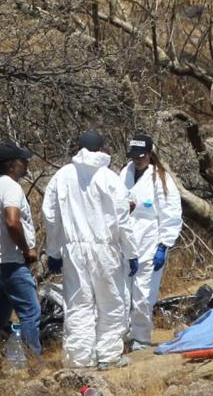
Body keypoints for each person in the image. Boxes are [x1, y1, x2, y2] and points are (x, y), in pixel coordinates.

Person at [42, 131, 140, 370]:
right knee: (111, 302)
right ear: (102, 149)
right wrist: (131, 252)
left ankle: (80, 360)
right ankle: (109, 355)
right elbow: (122, 219)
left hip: (73, 250)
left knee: (78, 303)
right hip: (106, 249)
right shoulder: (109, 177)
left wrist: (54, 251)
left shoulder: (62, 176)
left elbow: (50, 216)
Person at [119, 135, 182, 352]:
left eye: (141, 156)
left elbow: (171, 213)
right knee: (122, 294)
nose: (137, 160)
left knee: (143, 295)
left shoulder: (160, 179)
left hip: (149, 243)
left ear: (149, 154)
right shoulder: (124, 174)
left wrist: (163, 245)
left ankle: (142, 338)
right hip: (125, 244)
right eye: (134, 157)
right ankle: (123, 336)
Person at [0, 141, 41, 366]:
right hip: (12, 263)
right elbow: (12, 222)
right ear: (12, 165)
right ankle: (34, 364)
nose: (26, 164)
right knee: (30, 311)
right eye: (23, 161)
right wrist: (27, 249)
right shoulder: (11, 187)